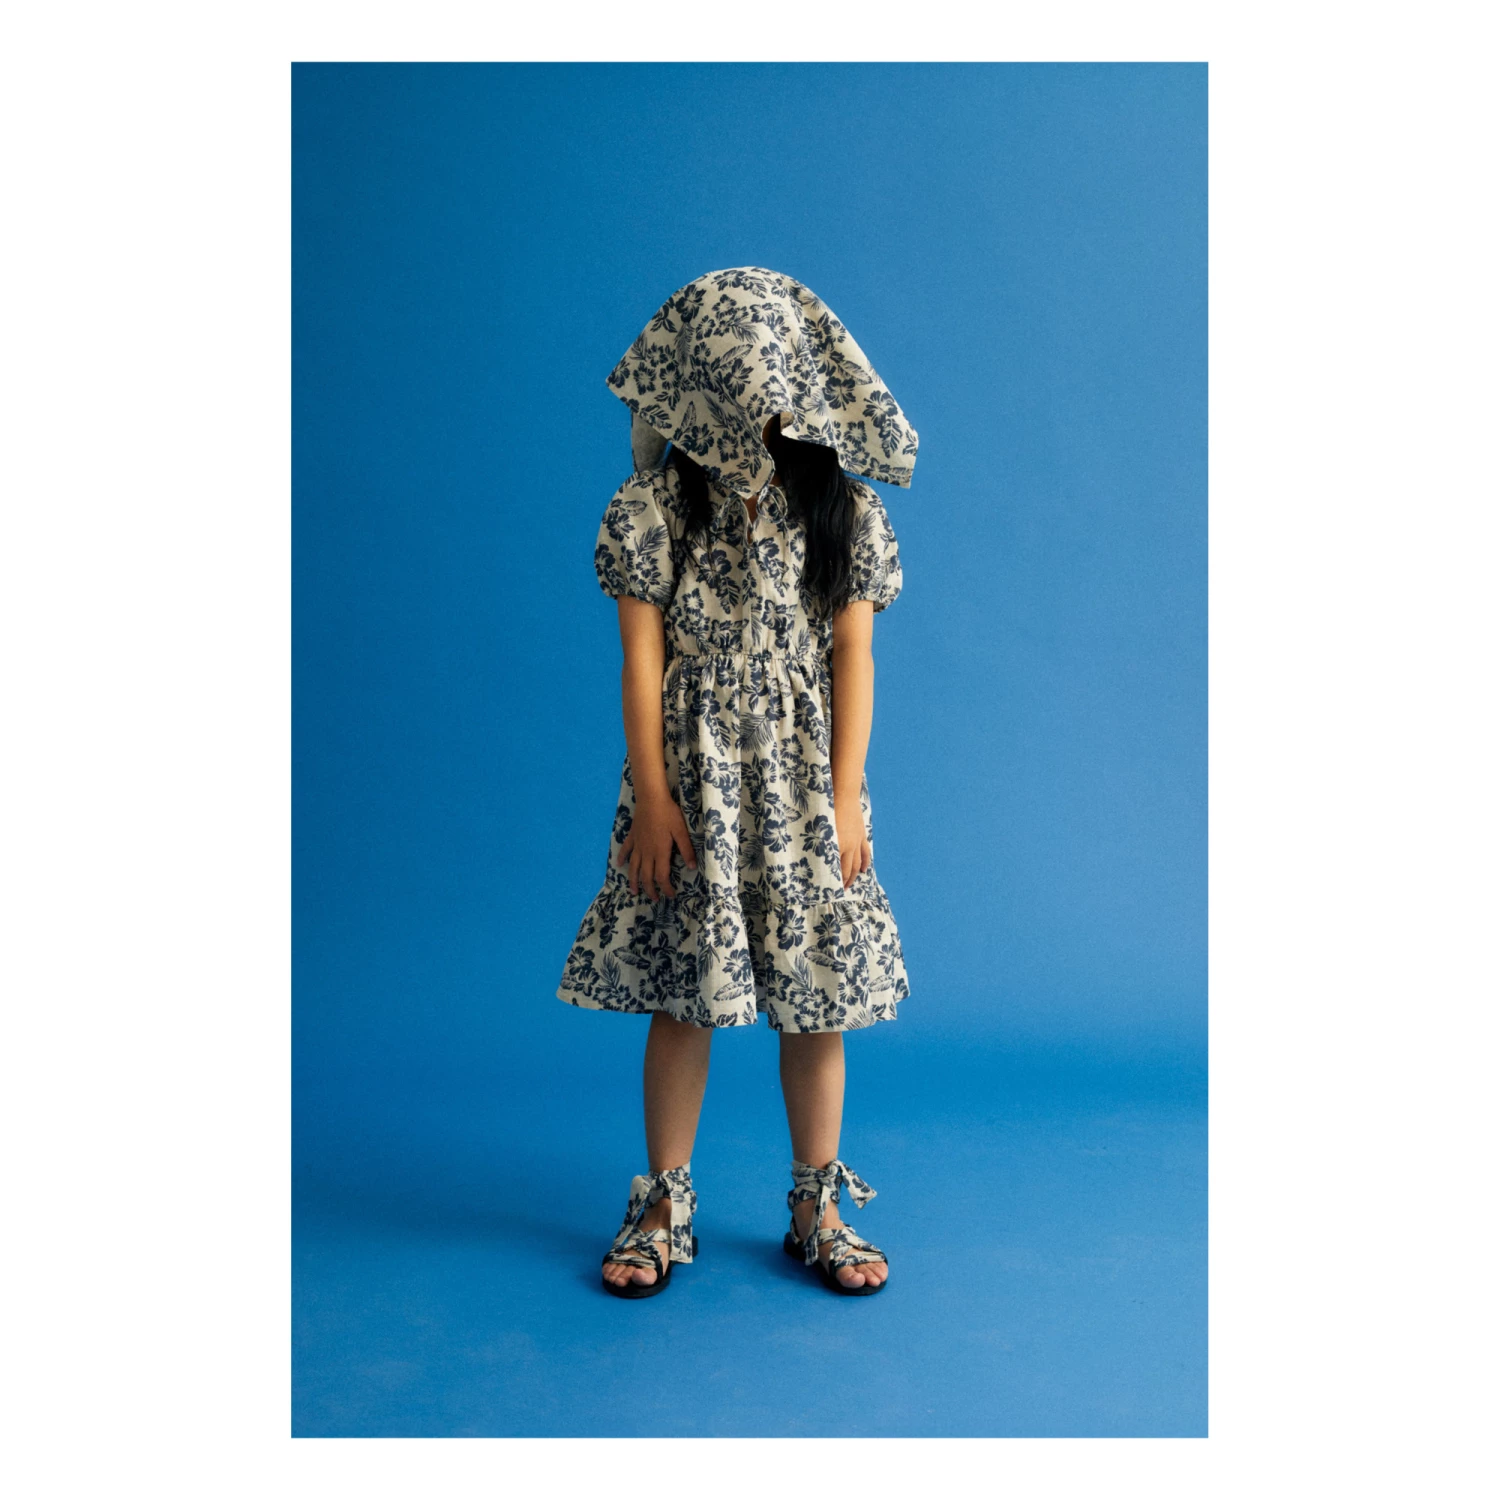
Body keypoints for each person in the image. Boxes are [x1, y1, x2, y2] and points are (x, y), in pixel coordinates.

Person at [555, 266, 918, 1299]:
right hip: (695, 781)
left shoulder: (840, 510)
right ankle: (664, 1200)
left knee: (816, 998)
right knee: (688, 990)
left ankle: (818, 1202)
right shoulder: (654, 508)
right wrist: (654, 796)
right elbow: (641, 662)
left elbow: (854, 656)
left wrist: (844, 795)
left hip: (805, 786)